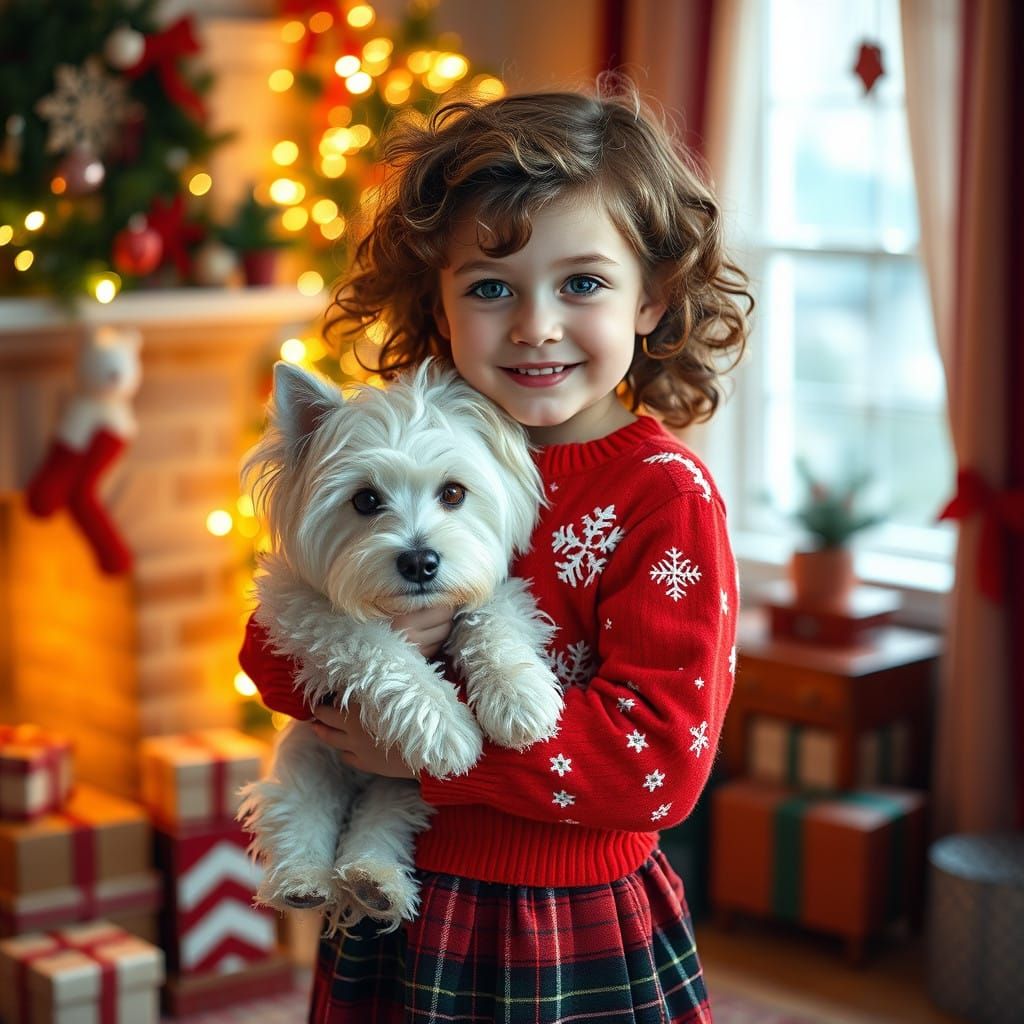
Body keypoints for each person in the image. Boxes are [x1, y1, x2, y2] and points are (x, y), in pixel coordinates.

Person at [240, 79, 752, 1023]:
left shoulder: (664, 499)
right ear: (437, 306)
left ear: (654, 297)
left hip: (567, 916)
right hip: (393, 902)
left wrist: (437, 762)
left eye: (583, 283)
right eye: (489, 288)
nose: (535, 326)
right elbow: (273, 650)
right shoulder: (403, 443)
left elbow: (661, 765)